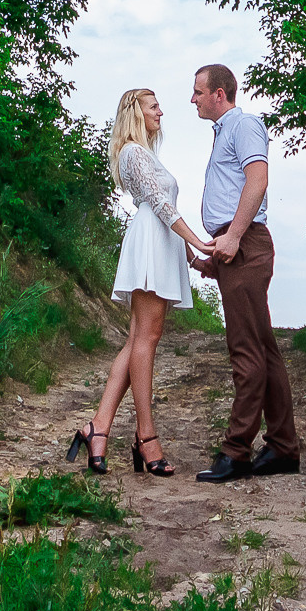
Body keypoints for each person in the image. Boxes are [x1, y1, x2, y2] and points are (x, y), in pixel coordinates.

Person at [68, 88, 220, 477]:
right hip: (151, 244)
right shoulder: (133, 152)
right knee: (147, 340)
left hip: (160, 242)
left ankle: (97, 428)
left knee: (137, 339)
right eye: (154, 106)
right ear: (135, 111)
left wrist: (191, 256)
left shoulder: (146, 154)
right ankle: (145, 436)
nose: (161, 112)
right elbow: (161, 205)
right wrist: (197, 240)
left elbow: (162, 211)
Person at [186, 63, 300, 481]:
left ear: (220, 93)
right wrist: (211, 259)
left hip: (246, 243)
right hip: (238, 246)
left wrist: (232, 238)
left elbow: (257, 182)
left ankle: (236, 452)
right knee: (264, 350)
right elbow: (236, 195)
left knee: (246, 353)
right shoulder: (222, 135)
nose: (192, 99)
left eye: (198, 91)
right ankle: (284, 448)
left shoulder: (244, 124)